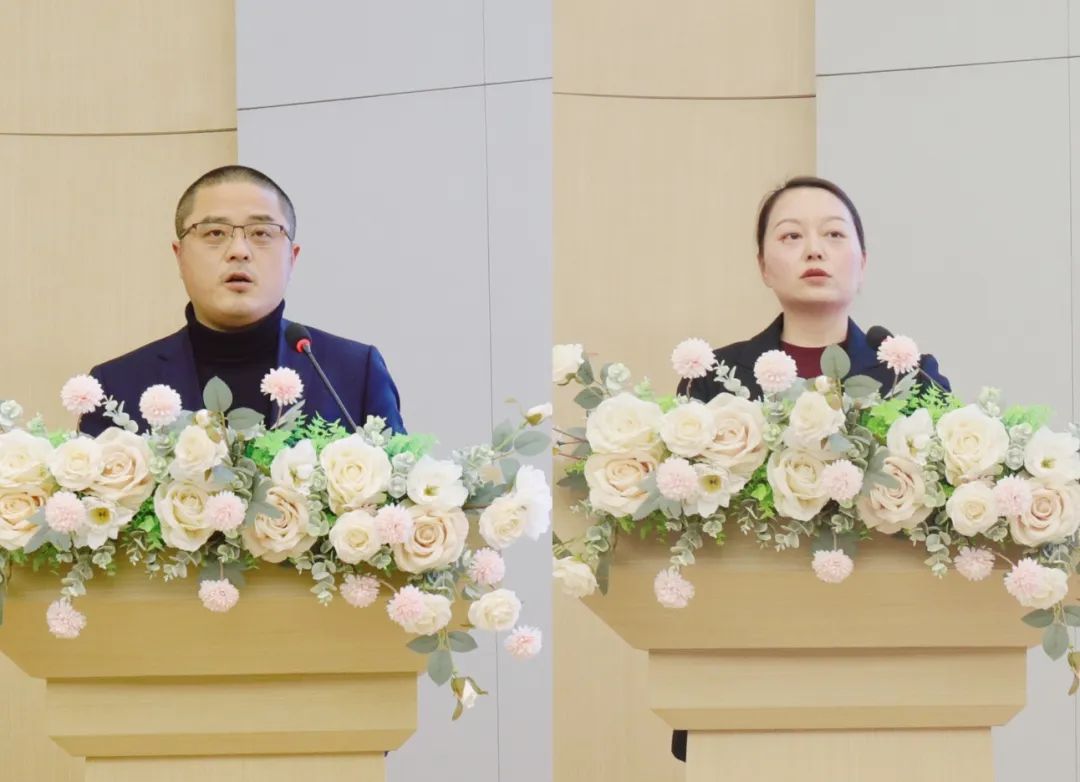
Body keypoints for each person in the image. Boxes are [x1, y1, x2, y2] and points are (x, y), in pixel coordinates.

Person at [671, 176, 949, 762]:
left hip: (889, 662)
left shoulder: (911, 377)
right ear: (763, 266)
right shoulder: (713, 378)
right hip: (746, 663)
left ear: (863, 262)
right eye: (791, 236)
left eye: (834, 235)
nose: (814, 249)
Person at [79, 165, 404, 435]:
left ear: (292, 258)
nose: (239, 251)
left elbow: (398, 493)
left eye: (261, 233)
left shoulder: (354, 373)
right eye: (215, 233)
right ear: (180, 257)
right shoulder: (116, 386)